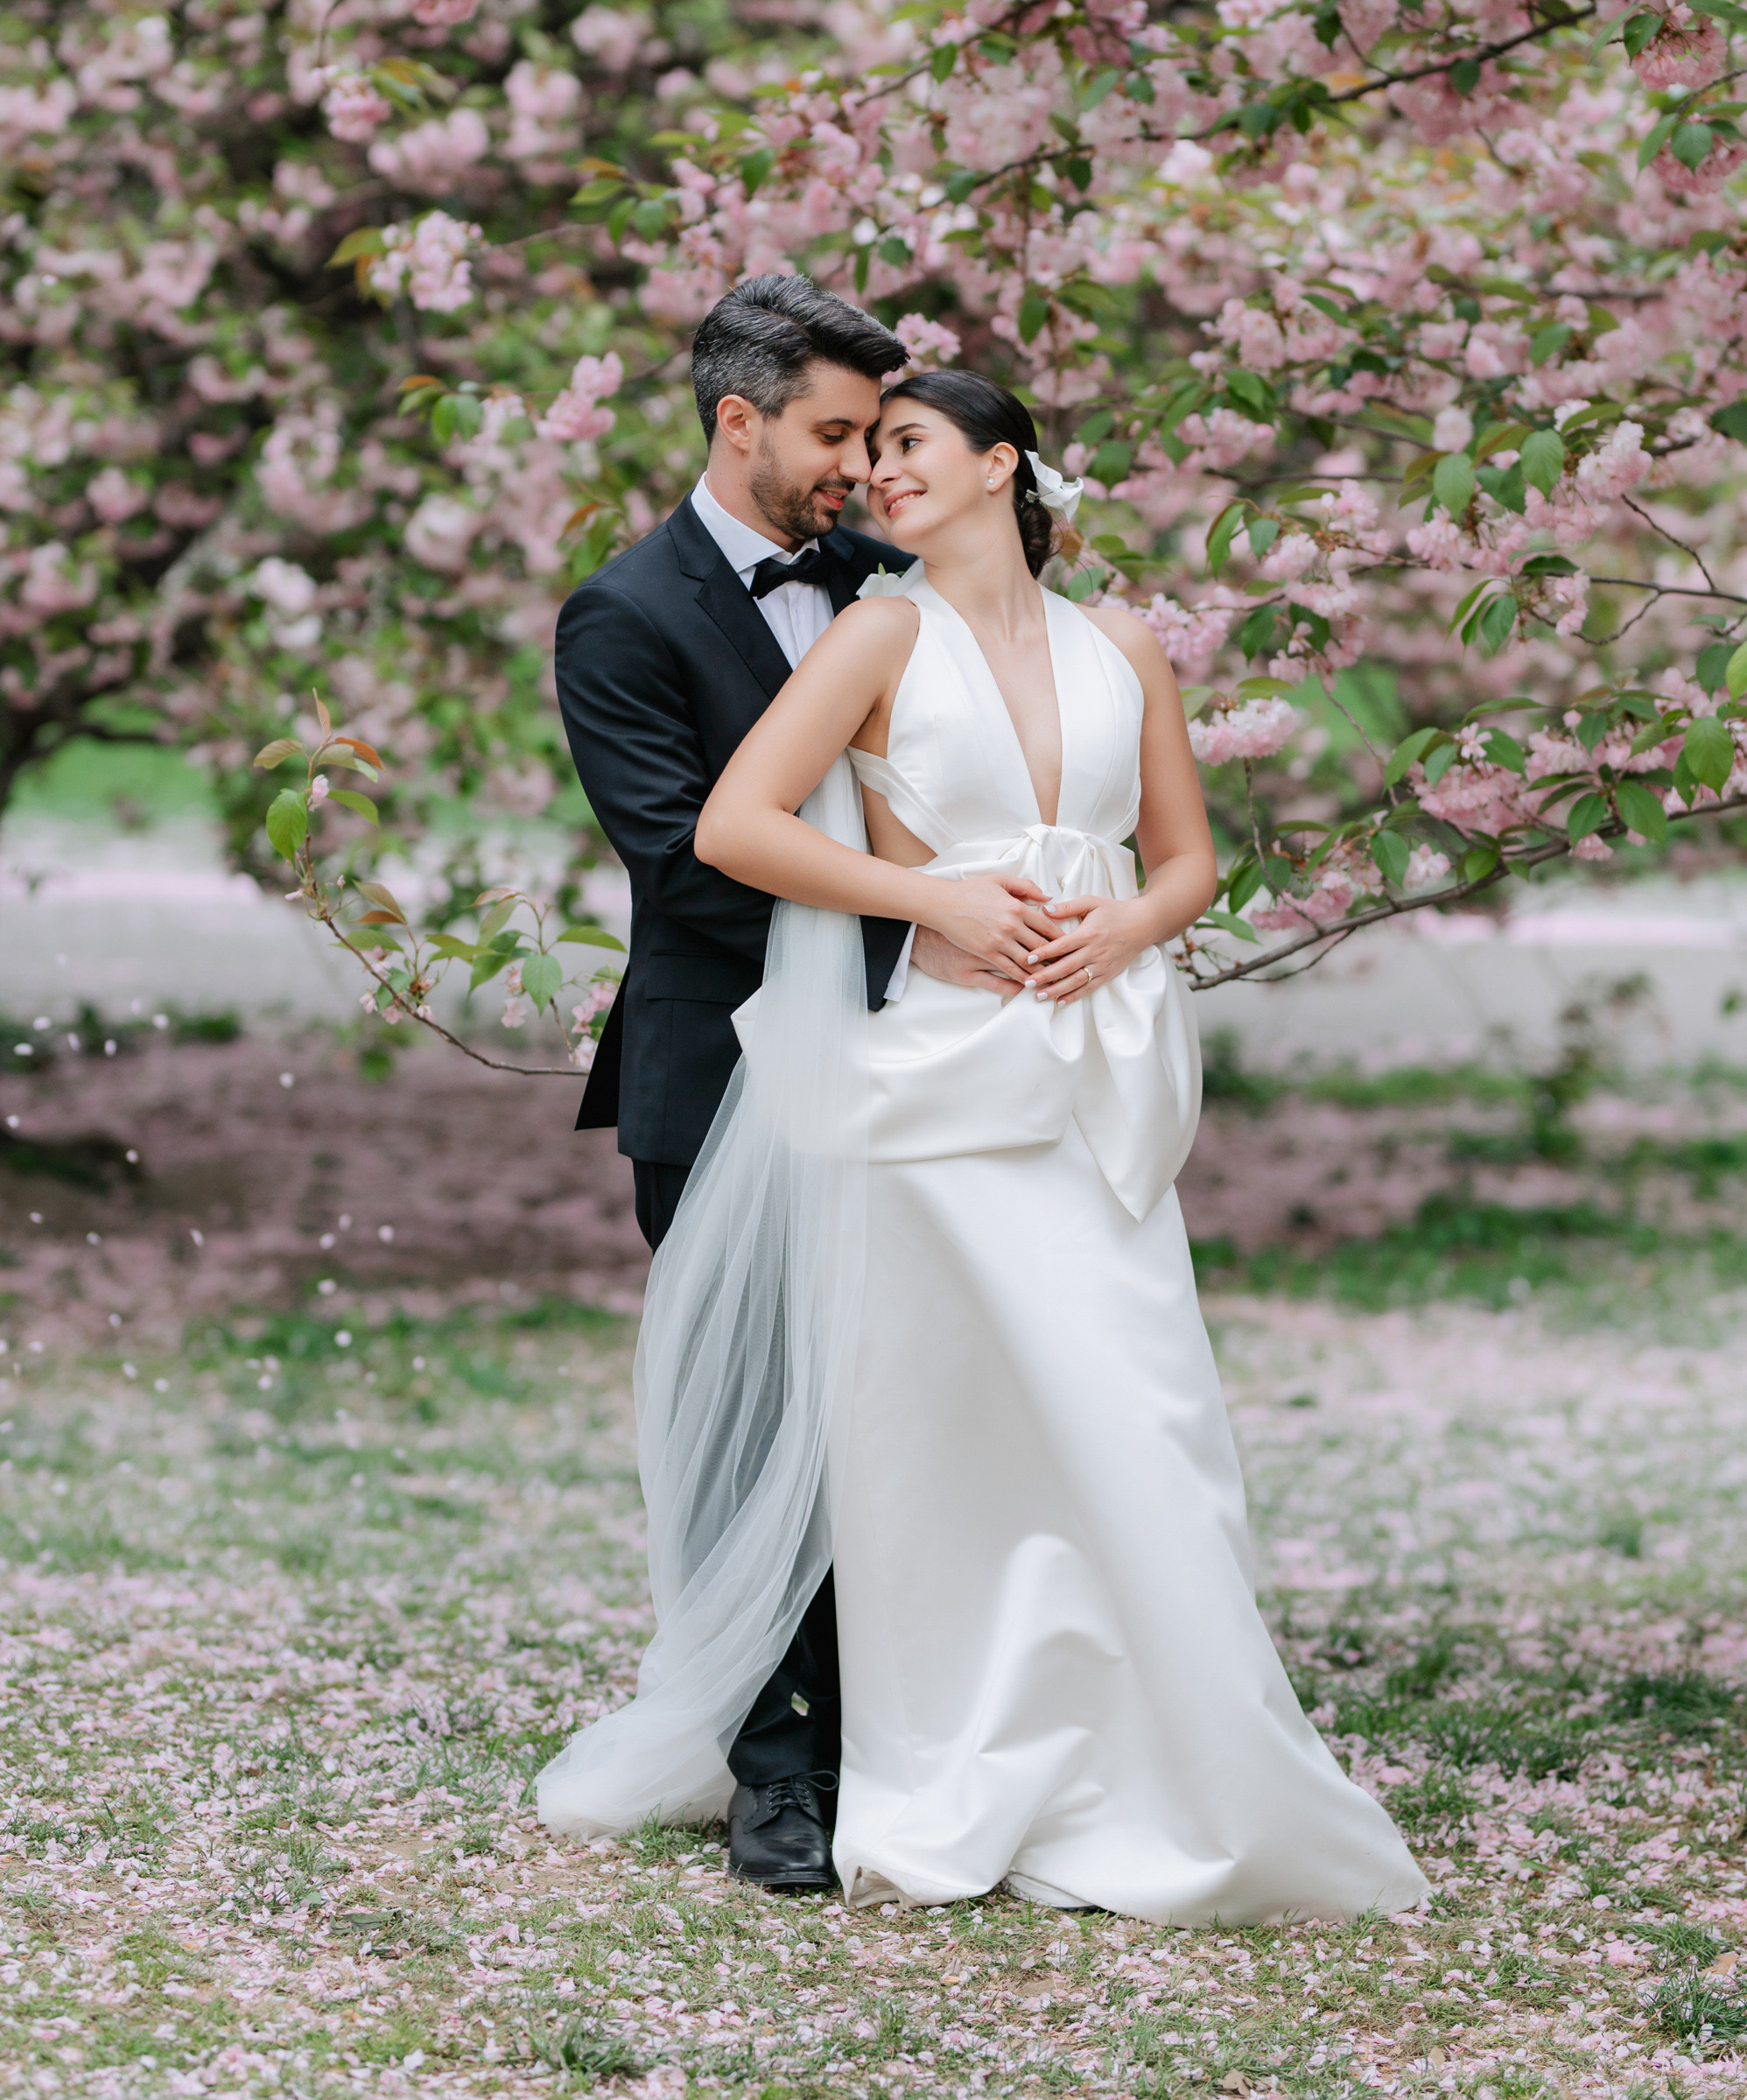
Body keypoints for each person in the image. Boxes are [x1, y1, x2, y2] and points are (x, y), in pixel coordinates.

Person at [541, 358, 1427, 1920]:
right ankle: (938, 1757)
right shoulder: (885, 628)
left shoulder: (1126, 642)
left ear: (1004, 463)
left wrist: (1122, 931)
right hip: (939, 1084)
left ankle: (1179, 1758)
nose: (879, 472)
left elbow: (1189, 858)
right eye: (863, 447)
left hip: (1094, 1069)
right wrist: (935, 898)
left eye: (908, 443)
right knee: (937, 1448)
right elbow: (737, 827)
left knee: (1142, 1421)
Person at [551, 275, 1019, 1894]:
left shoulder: (897, 583)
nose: (860, 468)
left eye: (875, 435)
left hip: (930, 1067)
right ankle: (775, 1769)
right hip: (722, 1070)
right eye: (832, 432)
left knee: (895, 1407)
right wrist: (927, 913)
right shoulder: (624, 613)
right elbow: (689, 869)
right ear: (736, 420)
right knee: (743, 1423)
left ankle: (914, 1732)